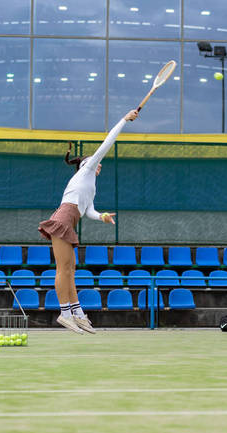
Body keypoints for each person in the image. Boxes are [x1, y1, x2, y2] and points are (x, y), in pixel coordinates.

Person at [39, 109, 139, 334]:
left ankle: (78, 313)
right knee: (63, 270)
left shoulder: (89, 186)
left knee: (70, 270)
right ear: (86, 164)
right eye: (94, 163)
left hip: (70, 221)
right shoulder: (86, 171)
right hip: (63, 220)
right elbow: (108, 142)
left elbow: (89, 210)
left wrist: (102, 216)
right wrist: (125, 119)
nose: (98, 165)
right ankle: (65, 314)